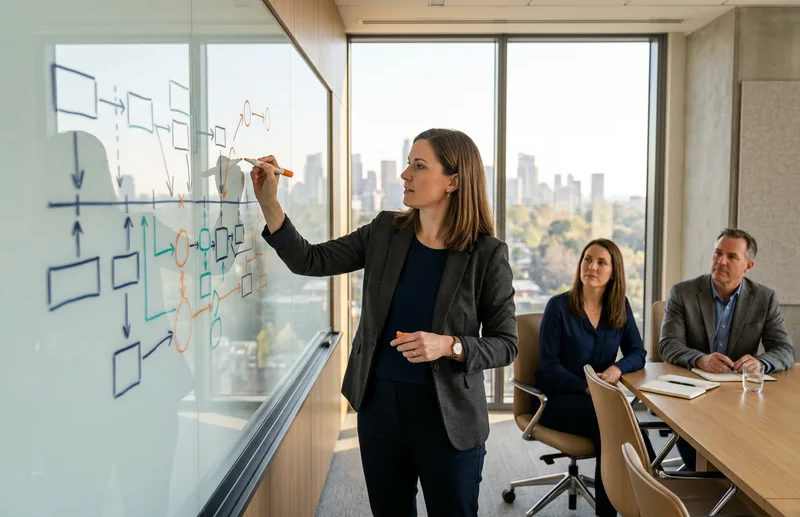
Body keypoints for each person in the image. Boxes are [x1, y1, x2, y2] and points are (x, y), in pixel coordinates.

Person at [250, 128, 518, 517]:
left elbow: (506, 343)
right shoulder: (384, 231)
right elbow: (310, 259)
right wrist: (269, 203)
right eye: (409, 163)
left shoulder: (486, 253)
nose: (405, 174)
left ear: (454, 182)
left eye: (419, 166)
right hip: (381, 410)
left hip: (448, 417)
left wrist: (449, 345)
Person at [658, 228, 796, 470]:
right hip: (692, 398)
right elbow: (668, 344)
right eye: (717, 253)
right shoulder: (683, 293)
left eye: (732, 257)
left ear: (748, 266)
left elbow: (784, 349)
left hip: (741, 401)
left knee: (763, 454)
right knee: (700, 462)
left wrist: (760, 363)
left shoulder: (765, 298)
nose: (721, 261)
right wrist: (700, 359)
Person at [536, 239, 648, 517]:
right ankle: (618, 510)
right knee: (616, 425)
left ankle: (638, 504)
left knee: (614, 431)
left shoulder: (619, 306)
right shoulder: (558, 307)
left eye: (601, 262)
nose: (592, 267)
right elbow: (548, 367)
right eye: (587, 259)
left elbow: (638, 352)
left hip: (599, 404)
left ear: (614, 272)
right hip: (558, 401)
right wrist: (587, 387)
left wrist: (618, 368)